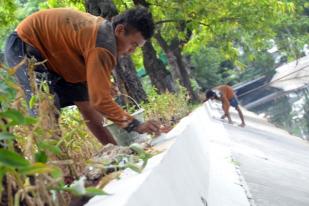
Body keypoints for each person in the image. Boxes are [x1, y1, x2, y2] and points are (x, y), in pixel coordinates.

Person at [4, 7, 165, 145]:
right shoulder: (104, 46)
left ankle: (117, 152)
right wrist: (135, 125)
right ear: (120, 30)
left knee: (88, 107)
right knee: (46, 112)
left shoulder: (102, 39)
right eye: (133, 44)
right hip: (26, 44)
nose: (132, 51)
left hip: (63, 56)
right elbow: (100, 101)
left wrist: (103, 86)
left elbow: (95, 101)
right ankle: (58, 174)